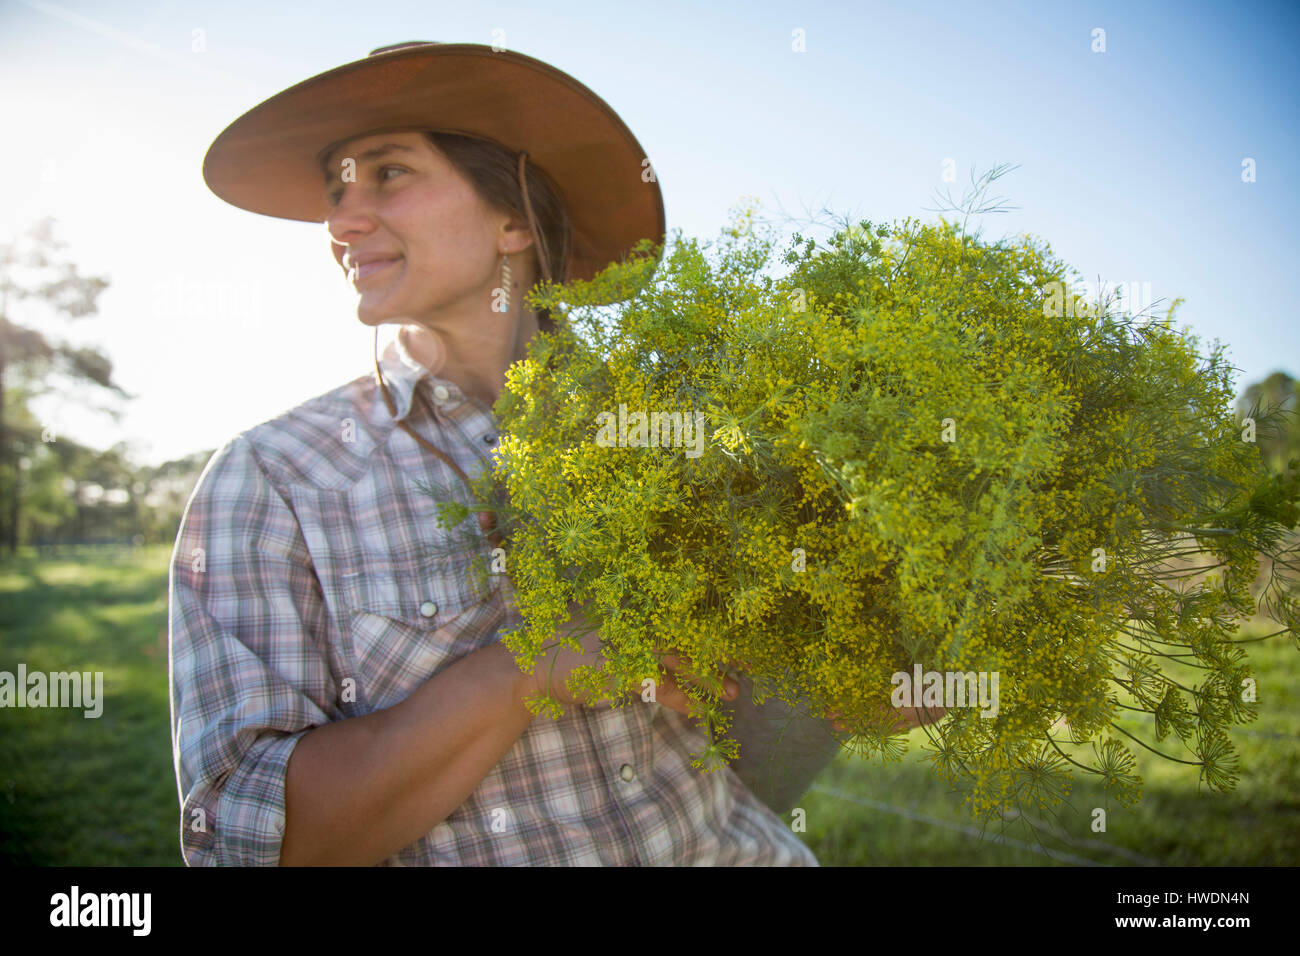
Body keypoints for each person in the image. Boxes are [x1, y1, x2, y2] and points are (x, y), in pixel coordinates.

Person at [170, 41, 822, 866]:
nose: (339, 220)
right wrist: (525, 670)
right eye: (336, 189)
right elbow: (238, 836)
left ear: (512, 216)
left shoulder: (676, 425)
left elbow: (776, 680)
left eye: (389, 174)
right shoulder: (277, 477)